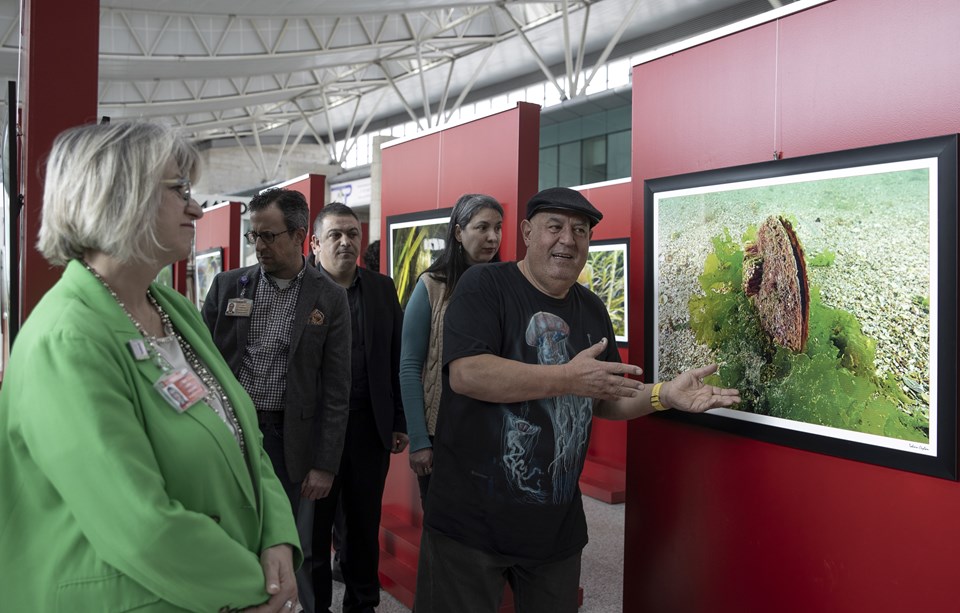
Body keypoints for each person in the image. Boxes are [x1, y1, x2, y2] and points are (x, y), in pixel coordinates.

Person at [0, 120, 302, 611]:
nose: (197, 206)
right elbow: (138, 525)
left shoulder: (169, 308)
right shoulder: (68, 339)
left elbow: (242, 434)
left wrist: (277, 539)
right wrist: (258, 588)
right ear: (120, 194)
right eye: (179, 188)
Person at [413, 187, 742, 613]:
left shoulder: (591, 307)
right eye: (555, 227)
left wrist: (663, 395)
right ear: (528, 233)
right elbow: (468, 374)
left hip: (554, 530)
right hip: (469, 525)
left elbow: (607, 397)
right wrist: (568, 377)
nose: (567, 239)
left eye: (580, 230)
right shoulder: (485, 284)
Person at [203, 188, 352, 611]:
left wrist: (324, 463)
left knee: (287, 542)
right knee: (230, 530)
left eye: (269, 236)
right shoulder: (230, 285)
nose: (260, 246)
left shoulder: (329, 297)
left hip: (291, 439)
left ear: (300, 235)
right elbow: (201, 360)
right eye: (254, 237)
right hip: (233, 431)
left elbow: (337, 388)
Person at [311, 202, 409, 613]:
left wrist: (400, 420)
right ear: (314, 243)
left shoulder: (381, 289)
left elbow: (396, 357)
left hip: (369, 427)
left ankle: (362, 604)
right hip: (313, 433)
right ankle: (314, 605)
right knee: (314, 530)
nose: (346, 242)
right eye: (335, 235)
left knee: (363, 526)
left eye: (352, 233)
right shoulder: (297, 291)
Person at [399, 193, 504, 503]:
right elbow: (409, 368)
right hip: (441, 430)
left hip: (492, 428)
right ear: (459, 233)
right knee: (443, 528)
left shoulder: (505, 286)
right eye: (482, 227)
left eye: (498, 228)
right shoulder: (431, 286)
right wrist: (419, 440)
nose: (492, 237)